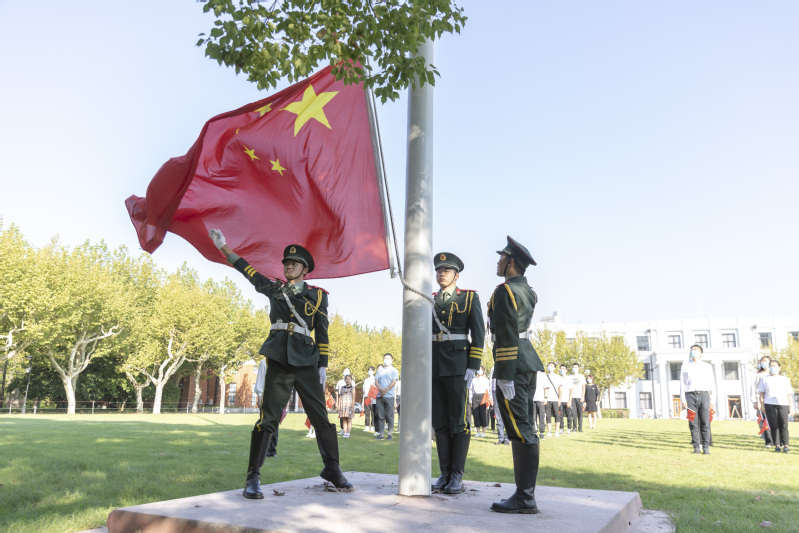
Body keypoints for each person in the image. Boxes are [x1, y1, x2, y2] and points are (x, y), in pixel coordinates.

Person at [208, 229, 352, 499]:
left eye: (294, 263)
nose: (289, 266)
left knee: (320, 417)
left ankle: (332, 469)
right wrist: (224, 247)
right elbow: (247, 271)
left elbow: (322, 332)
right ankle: (253, 476)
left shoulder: (318, 296)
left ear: (305, 270)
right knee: (269, 417)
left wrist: (323, 365)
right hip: (279, 359)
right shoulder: (274, 289)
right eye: (286, 263)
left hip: (307, 362)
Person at [489, 236, 545, 514]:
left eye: (501, 257)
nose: (498, 262)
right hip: (527, 360)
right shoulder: (529, 291)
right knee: (525, 425)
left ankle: (525, 497)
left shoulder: (504, 291)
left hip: (513, 364)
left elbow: (507, 332)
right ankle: (525, 494)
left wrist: (505, 374)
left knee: (520, 428)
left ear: (510, 262)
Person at [430, 252, 486, 494]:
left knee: (459, 420)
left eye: (446, 270)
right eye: (438, 270)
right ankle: (444, 473)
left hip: (458, 365)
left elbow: (479, 334)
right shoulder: (429, 299)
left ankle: (456, 475)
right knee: (440, 420)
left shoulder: (469, 298)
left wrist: (473, 365)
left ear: (456, 275)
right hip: (434, 365)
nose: (441, 274)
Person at [680, 344, 715, 455]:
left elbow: (712, 383)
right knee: (692, 422)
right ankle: (696, 447)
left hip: (704, 395)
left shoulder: (707, 366)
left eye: (695, 350)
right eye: (691, 350)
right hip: (690, 396)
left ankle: (706, 447)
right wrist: (683, 399)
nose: (693, 351)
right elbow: (682, 383)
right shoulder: (685, 366)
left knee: (705, 422)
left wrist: (712, 400)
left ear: (701, 353)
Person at [758, 359, 794, 453]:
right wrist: (762, 405)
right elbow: (762, 394)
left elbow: (789, 394)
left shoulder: (785, 379)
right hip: (769, 404)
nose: (772, 368)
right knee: (774, 425)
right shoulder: (765, 379)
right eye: (771, 366)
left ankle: (785, 445)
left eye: (774, 366)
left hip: (783, 404)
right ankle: (777, 445)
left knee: (784, 425)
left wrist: (791, 407)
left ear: (779, 368)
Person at [254, 358, 278, 457]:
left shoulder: (281, 362)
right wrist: (260, 397)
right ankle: (261, 448)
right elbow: (260, 380)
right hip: (266, 397)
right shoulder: (264, 362)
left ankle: (271, 450)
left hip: (278, 398)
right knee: (264, 423)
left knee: (275, 425)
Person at [751, 355, 773, 447]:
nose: (764, 363)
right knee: (764, 419)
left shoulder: (773, 375)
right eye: (762, 361)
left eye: (766, 361)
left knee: (773, 420)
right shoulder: (758, 375)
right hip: (761, 400)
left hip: (772, 399)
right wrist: (755, 401)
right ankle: (768, 439)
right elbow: (754, 388)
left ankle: (777, 439)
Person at [375, 353, 399, 440]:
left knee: (390, 416)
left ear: (391, 360)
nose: (386, 360)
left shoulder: (394, 370)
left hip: (389, 396)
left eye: (388, 358)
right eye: (385, 358)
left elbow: (394, 381)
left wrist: (386, 390)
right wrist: (381, 389)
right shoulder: (379, 371)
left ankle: (389, 434)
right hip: (379, 396)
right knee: (380, 416)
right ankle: (381, 434)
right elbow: (376, 381)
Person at [490, 365, 510, 445]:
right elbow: (491, 382)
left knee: (507, 416)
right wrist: (491, 396)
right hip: (495, 392)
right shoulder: (493, 368)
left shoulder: (507, 366)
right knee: (498, 417)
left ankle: (507, 438)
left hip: (505, 391)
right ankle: (501, 438)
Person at [471, 366, 491, 438]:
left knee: (483, 415)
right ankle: (478, 432)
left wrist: (489, 399)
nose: (479, 371)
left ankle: (483, 432)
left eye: (481, 369)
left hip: (483, 396)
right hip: (475, 396)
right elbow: (471, 390)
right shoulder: (473, 379)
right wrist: (470, 399)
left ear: (483, 371)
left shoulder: (486, 380)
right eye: (478, 369)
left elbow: (489, 390)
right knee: (476, 415)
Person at [542, 362, 561, 438]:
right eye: (549, 365)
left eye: (552, 366)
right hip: (547, 399)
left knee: (557, 415)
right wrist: (544, 398)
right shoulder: (544, 376)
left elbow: (560, 389)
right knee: (548, 416)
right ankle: (549, 431)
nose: (550, 367)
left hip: (555, 399)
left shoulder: (557, 377)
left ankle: (556, 431)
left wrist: (559, 399)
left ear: (554, 368)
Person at [570, 363, 587, 432]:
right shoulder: (569, 376)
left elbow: (583, 387)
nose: (574, 368)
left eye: (576, 367)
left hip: (579, 397)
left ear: (578, 368)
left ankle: (580, 427)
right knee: (573, 413)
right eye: (573, 367)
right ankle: (574, 427)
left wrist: (583, 396)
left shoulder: (581, 376)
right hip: (572, 397)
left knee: (580, 413)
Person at [338, 373, 355, 438]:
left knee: (349, 419)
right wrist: (339, 405)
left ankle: (348, 433)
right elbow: (340, 397)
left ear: (351, 380)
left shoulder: (352, 388)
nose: (347, 380)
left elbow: (353, 398)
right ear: (344, 380)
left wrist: (352, 407)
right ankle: (345, 433)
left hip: (349, 405)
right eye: (346, 379)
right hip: (343, 405)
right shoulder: (342, 387)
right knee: (344, 419)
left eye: (349, 379)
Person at [336, 368, 351, 435]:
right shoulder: (340, 382)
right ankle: (343, 429)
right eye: (345, 371)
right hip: (342, 401)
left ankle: (348, 431)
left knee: (348, 417)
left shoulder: (352, 383)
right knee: (342, 417)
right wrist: (337, 402)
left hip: (348, 402)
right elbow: (338, 393)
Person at [558, 364, 573, 435]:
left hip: (567, 400)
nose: (562, 370)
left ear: (566, 370)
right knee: (560, 415)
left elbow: (571, 390)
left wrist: (570, 400)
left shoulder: (569, 379)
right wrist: (559, 399)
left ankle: (569, 428)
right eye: (561, 368)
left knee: (568, 415)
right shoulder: (558, 378)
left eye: (563, 368)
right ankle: (561, 428)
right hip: (560, 401)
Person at [533, 369, 547, 440]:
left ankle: (541, 433)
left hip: (540, 399)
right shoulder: (530, 373)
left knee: (541, 416)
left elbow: (546, 387)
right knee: (533, 417)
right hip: (532, 399)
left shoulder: (543, 375)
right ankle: (534, 432)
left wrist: (545, 397)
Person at [363, 366, 376, 432]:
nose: (369, 371)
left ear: (374, 371)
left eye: (371, 370)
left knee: (373, 412)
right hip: (366, 397)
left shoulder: (375, 379)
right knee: (367, 412)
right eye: (369, 370)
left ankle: (373, 426)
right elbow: (364, 390)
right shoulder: (366, 380)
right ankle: (367, 426)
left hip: (373, 397)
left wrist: (371, 397)